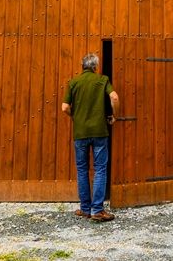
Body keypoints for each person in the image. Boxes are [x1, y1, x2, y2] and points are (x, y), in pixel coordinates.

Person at [61, 52, 119, 222]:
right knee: (100, 169)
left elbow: (64, 107)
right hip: (100, 132)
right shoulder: (102, 80)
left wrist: (75, 116)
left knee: (82, 169)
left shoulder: (73, 82)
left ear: (82, 66)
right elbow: (114, 97)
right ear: (95, 67)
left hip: (80, 133)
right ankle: (97, 210)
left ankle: (85, 209)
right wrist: (114, 114)